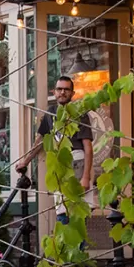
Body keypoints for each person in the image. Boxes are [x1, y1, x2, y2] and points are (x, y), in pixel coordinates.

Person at [17, 75, 94, 224]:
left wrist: (86, 177)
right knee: (62, 213)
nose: (62, 92)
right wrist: (25, 162)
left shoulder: (79, 113)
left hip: (76, 162)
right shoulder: (50, 114)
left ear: (72, 93)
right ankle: (65, 246)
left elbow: (88, 147)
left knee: (77, 214)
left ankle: (77, 247)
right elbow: (40, 143)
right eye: (59, 89)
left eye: (66, 89)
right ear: (54, 92)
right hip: (59, 166)